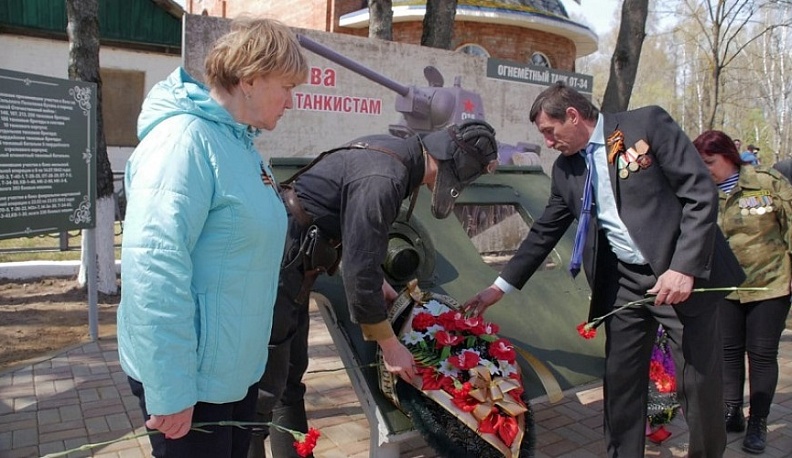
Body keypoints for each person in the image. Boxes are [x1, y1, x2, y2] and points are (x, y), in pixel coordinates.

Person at [462, 82, 745, 458]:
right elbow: (544, 231)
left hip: (678, 276)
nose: (547, 142)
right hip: (624, 283)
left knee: (697, 380)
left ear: (573, 116)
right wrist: (499, 287)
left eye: (549, 131)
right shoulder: (566, 170)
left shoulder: (646, 125)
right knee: (621, 381)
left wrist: (683, 268)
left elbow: (699, 192)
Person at [247, 120, 499, 458]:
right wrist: (390, 346)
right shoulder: (386, 176)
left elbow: (353, 229)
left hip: (295, 255)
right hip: (281, 258)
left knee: (290, 374)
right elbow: (358, 269)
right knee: (263, 388)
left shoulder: (395, 157)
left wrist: (378, 280)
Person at [117, 17, 308, 458]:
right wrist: (170, 390)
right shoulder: (183, 143)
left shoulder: (241, 147)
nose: (291, 101)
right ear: (249, 79)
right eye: (286, 87)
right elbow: (154, 269)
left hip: (233, 375)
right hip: (191, 383)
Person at [693, 130, 792, 455]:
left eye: (710, 162)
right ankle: (732, 410)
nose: (705, 169)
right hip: (724, 286)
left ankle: (758, 422)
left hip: (769, 283)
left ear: (729, 156)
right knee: (729, 351)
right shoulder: (700, 190)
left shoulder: (767, 183)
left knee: (761, 354)